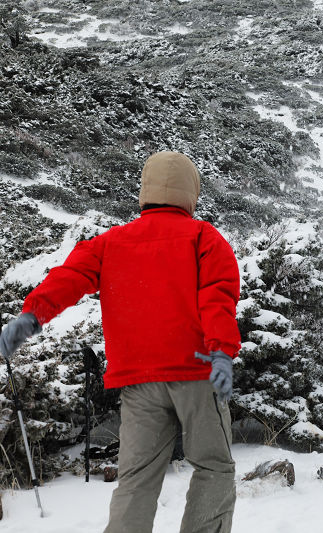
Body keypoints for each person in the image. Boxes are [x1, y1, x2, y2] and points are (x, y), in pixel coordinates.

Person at [0, 151, 241, 533]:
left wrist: (32, 316)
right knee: (213, 467)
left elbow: (70, 277)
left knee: (137, 478)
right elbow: (217, 297)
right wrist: (221, 352)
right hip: (197, 372)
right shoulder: (203, 237)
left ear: (146, 191)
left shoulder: (111, 242)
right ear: (190, 192)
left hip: (137, 379)